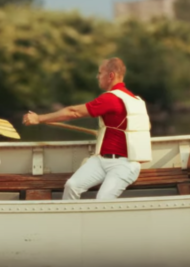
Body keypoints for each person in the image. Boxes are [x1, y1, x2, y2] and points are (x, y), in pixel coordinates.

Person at [22, 58, 151, 200]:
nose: (97, 76)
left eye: (100, 73)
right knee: (72, 185)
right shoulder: (135, 100)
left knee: (102, 200)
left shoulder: (110, 99)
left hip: (124, 165)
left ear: (111, 76)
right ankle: (70, 220)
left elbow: (74, 112)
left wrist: (39, 118)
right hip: (101, 160)